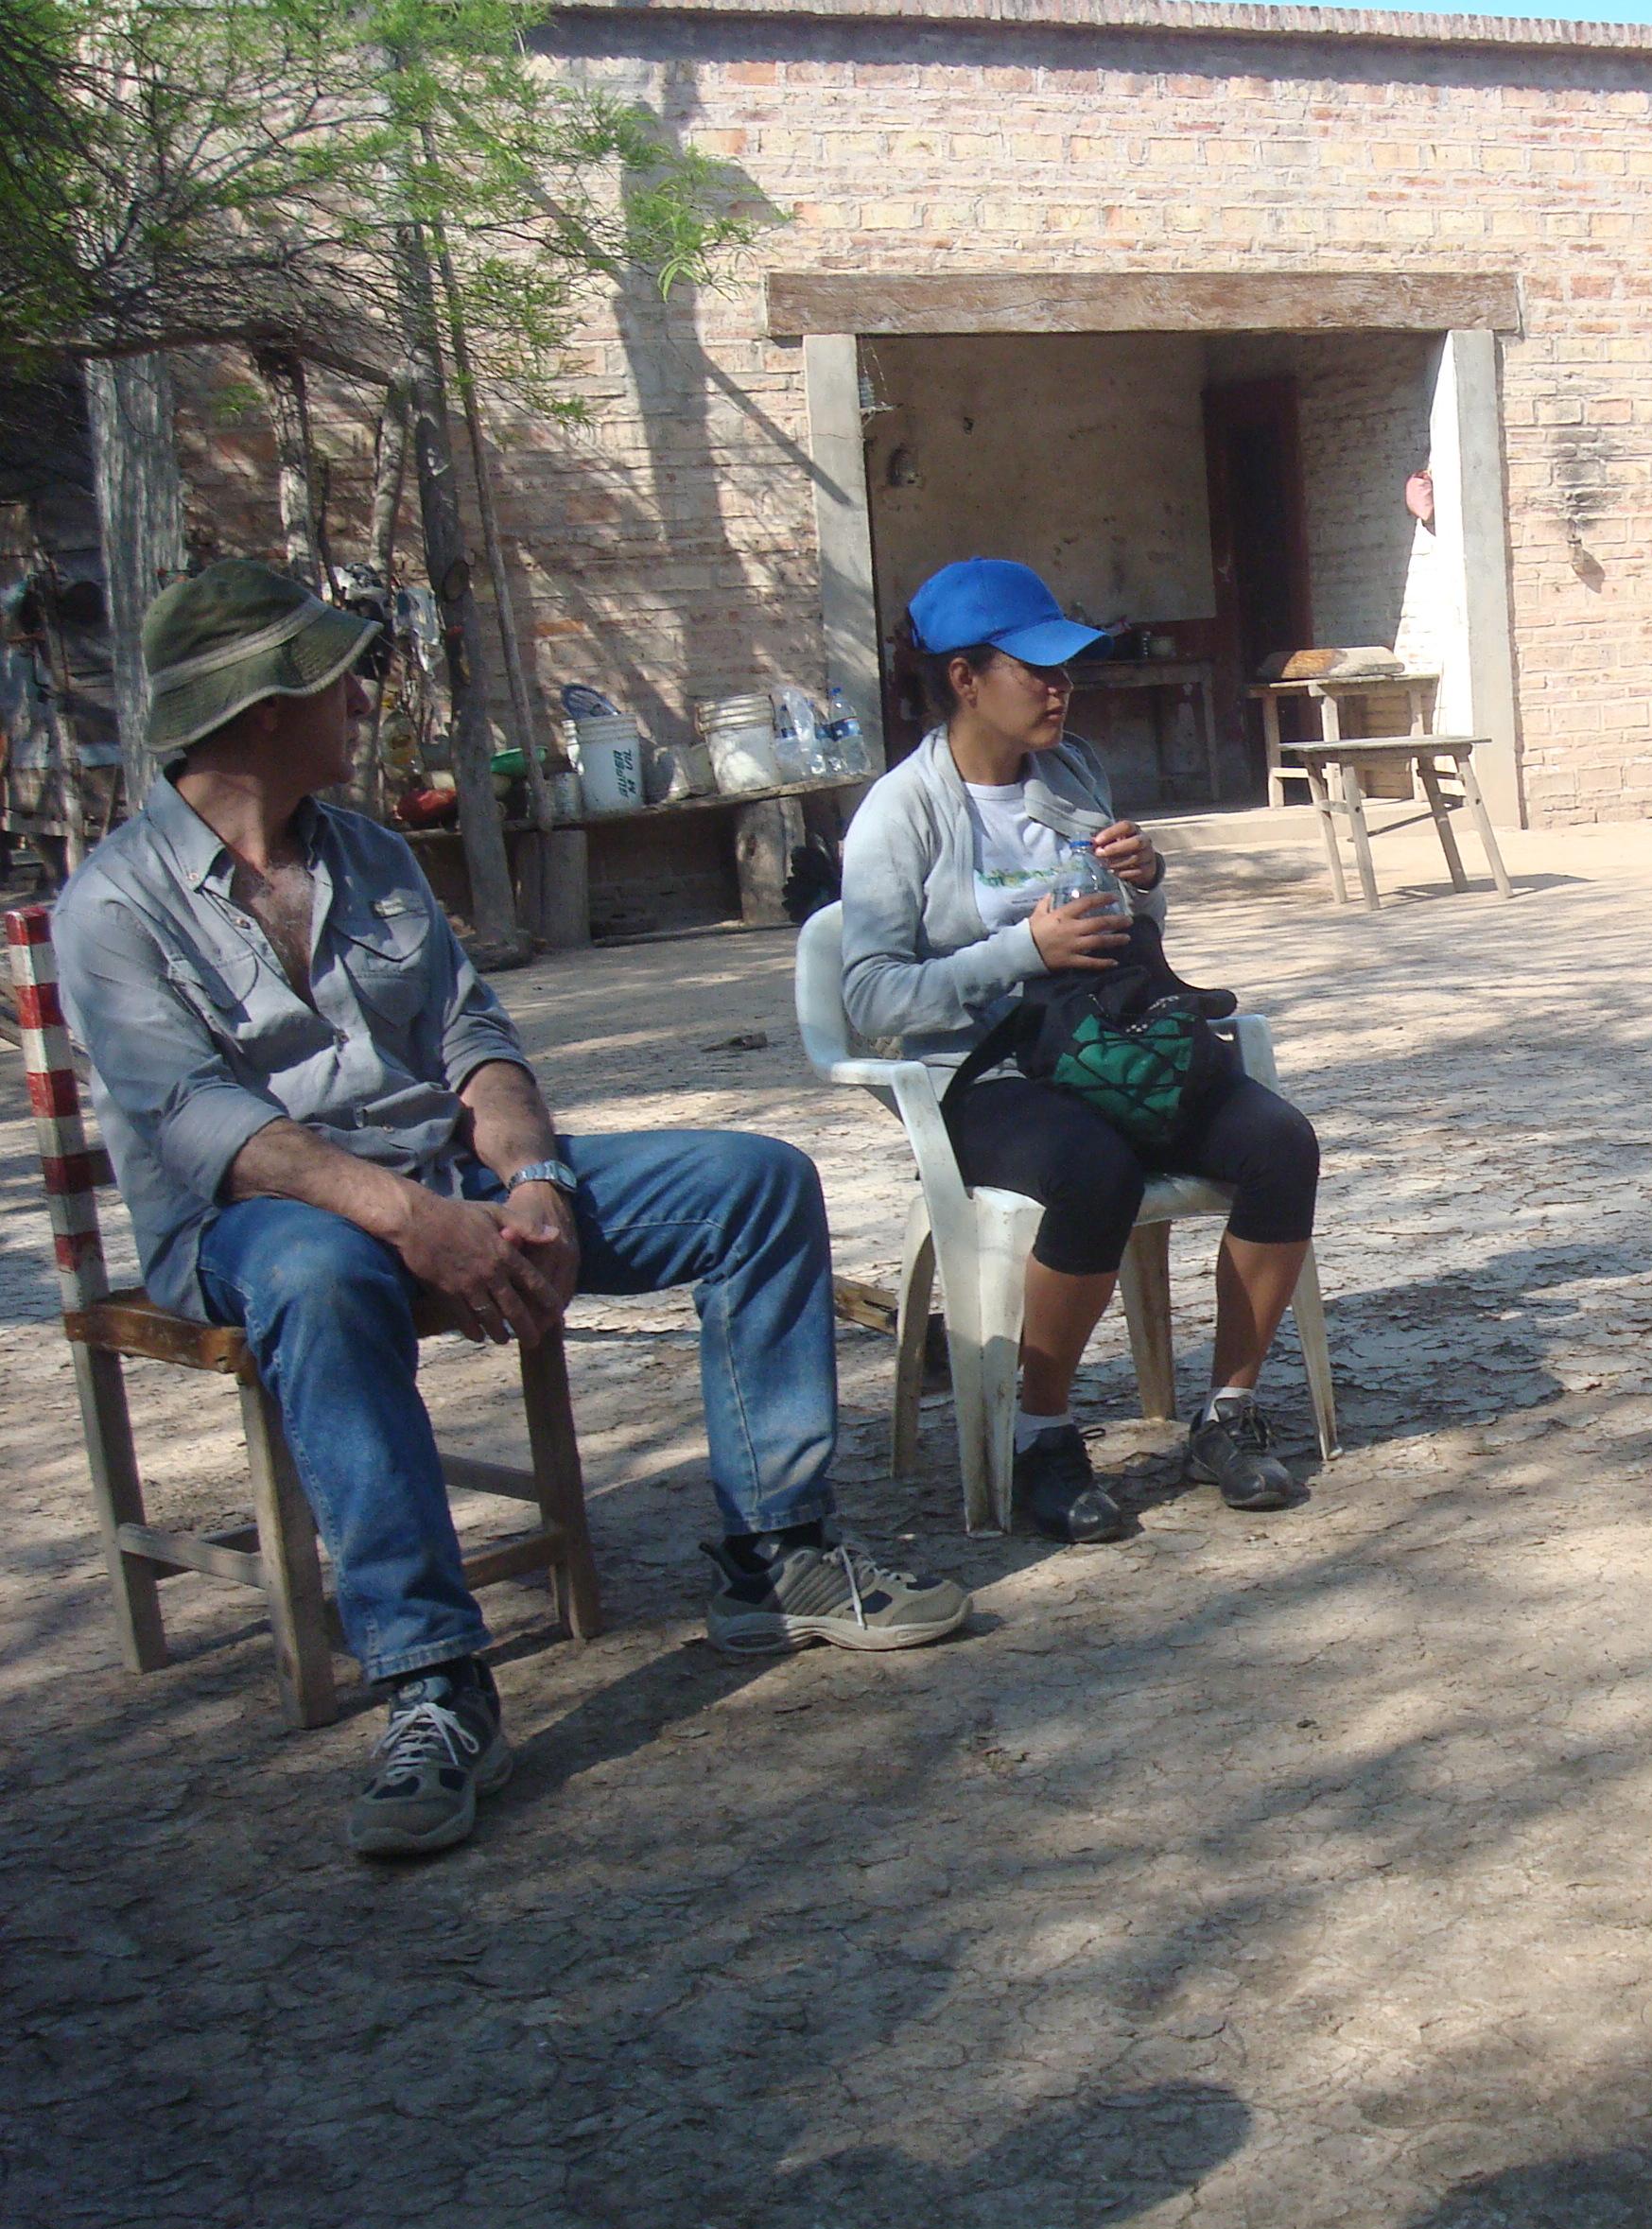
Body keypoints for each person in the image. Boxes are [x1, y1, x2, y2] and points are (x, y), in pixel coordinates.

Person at [53, 562, 967, 1860]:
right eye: (338, 679)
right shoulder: (112, 906)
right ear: (264, 712)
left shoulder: (364, 853)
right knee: (323, 1275)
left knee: (754, 1183)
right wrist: (419, 1223)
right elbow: (213, 1129)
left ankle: (779, 1550)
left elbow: (473, 1035)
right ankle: (432, 1681)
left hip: (453, 1177)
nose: (364, 700)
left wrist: (531, 1178)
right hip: (257, 1218)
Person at [837, 559, 1321, 1540]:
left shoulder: (1074, 772)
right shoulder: (900, 812)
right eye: (1036, 670)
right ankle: (1041, 1433)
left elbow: (1122, 921)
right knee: (1090, 1171)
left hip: (1104, 1044)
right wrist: (1023, 950)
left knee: (1280, 1143)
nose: (1061, 689)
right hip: (986, 1073)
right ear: (966, 679)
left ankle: (1225, 1415)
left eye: (1066, 671)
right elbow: (870, 998)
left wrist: (1146, 879)